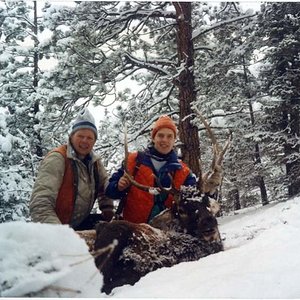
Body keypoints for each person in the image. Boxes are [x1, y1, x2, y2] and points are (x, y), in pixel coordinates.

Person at [30, 108, 114, 230]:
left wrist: (108, 210)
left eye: (90, 138)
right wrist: (60, 234)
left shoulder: (95, 162)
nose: (85, 141)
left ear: (95, 141)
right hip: (56, 227)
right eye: (80, 136)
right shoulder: (58, 159)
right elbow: (40, 204)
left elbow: (104, 187)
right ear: (71, 137)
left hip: (78, 224)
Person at [105, 115, 199, 224]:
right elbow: (109, 191)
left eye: (169, 136)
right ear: (153, 138)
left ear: (174, 140)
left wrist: (210, 189)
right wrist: (118, 186)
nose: (165, 140)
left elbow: (196, 202)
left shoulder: (183, 171)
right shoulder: (134, 161)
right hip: (134, 231)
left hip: (168, 234)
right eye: (160, 135)